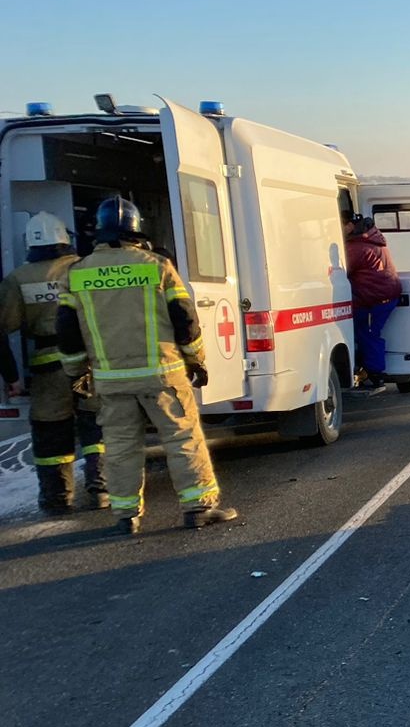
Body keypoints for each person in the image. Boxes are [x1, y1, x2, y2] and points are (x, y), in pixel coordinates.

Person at [56, 196, 237, 535]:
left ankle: (126, 517)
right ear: (136, 230)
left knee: (121, 446)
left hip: (110, 380)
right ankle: (198, 508)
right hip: (162, 375)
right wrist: (196, 360)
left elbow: (66, 331)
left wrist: (77, 372)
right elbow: (185, 320)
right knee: (183, 438)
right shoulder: (157, 266)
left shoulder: (77, 274)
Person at [0, 212, 107, 514]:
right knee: (97, 424)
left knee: (51, 434)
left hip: (47, 371)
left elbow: (2, 329)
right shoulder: (82, 267)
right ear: (64, 238)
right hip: (89, 363)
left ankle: (57, 499)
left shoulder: (17, 279)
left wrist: (11, 377)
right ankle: (102, 489)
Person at [343, 214, 402, 392]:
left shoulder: (356, 247)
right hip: (386, 295)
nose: (341, 228)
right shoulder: (374, 239)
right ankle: (365, 367)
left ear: (351, 225)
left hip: (375, 298)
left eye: (343, 224)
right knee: (364, 330)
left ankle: (375, 374)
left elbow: (341, 269)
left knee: (368, 333)